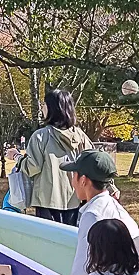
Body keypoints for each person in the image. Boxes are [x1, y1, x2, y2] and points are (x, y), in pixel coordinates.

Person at [18, 88, 92, 225]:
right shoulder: (81, 137)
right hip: (75, 199)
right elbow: (94, 164)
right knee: (69, 240)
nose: (42, 108)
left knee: (49, 242)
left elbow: (32, 167)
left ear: (52, 108)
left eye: (44, 104)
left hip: (46, 201)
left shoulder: (40, 136)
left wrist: (17, 158)